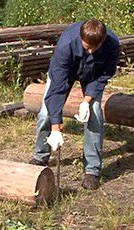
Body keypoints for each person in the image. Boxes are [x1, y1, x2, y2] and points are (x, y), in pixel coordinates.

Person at [28, 19, 120, 190]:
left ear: (103, 40)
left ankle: (92, 170)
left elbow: (104, 74)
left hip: (93, 75)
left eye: (95, 48)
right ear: (80, 38)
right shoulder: (66, 45)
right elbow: (57, 89)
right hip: (66, 72)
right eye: (87, 48)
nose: (91, 52)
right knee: (46, 113)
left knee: (94, 112)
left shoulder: (112, 45)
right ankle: (41, 156)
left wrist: (87, 100)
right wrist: (56, 128)